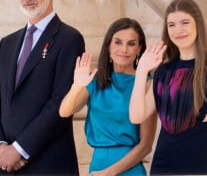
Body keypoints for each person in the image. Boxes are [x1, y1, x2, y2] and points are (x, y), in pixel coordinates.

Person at [0, 0, 85, 175]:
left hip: (49, 164)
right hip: (7, 167)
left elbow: (60, 103)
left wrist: (20, 150)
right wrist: (1, 148)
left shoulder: (70, 39)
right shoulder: (7, 45)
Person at [59, 17, 157, 176]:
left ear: (139, 49)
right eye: (118, 42)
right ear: (108, 46)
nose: (124, 49)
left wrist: (109, 173)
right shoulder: (95, 81)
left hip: (130, 168)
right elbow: (64, 111)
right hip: (98, 165)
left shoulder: (147, 85)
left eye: (131, 44)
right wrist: (76, 86)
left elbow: (146, 146)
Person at [130, 0, 207, 175]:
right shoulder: (163, 71)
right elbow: (137, 116)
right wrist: (142, 71)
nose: (178, 30)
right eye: (171, 25)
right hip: (164, 161)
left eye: (185, 22)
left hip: (203, 160)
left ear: (197, 24)